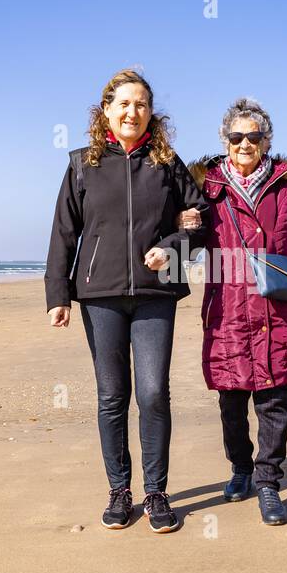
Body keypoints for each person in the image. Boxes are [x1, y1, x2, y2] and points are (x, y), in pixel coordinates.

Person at [45, 69, 208, 533]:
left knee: (154, 393)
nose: (132, 112)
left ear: (151, 112)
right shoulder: (82, 164)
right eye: (123, 104)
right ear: (106, 111)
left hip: (158, 293)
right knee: (112, 395)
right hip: (100, 295)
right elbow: (64, 232)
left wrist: (172, 248)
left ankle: (157, 491)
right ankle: (120, 489)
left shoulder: (168, 163)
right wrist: (59, 293)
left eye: (140, 104)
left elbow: (201, 223)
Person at [189, 97, 287, 525]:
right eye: (236, 136)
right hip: (227, 312)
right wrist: (183, 227)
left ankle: (268, 482)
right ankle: (240, 470)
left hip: (279, 311)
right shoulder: (206, 188)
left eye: (253, 136)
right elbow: (188, 245)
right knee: (231, 405)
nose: (244, 143)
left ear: (267, 141)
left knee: (275, 403)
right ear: (224, 141)